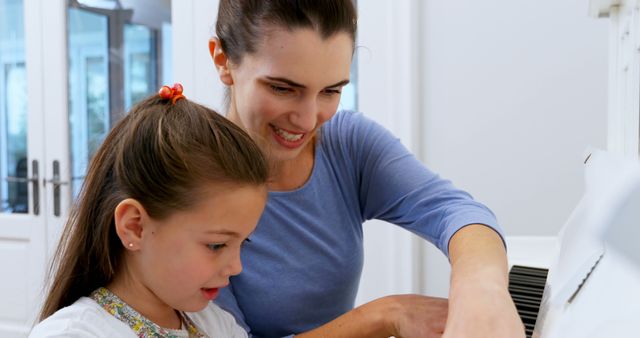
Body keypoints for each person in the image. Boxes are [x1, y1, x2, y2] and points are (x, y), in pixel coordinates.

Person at [208, 1, 525, 338]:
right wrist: (386, 315)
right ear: (223, 61)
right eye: (283, 88)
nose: (307, 120)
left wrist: (481, 291)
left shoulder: (347, 144)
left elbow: (455, 211)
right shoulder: (191, 186)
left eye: (331, 91)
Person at [30, 84, 268, 337]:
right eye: (217, 245)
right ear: (135, 226)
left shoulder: (217, 324)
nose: (236, 267)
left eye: (243, 243)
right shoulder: (74, 333)